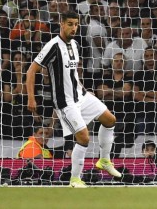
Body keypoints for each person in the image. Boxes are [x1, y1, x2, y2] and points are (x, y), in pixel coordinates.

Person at [26, 11, 122, 188]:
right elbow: (31, 71)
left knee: (110, 120)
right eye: (70, 24)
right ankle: (75, 179)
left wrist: (86, 91)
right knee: (83, 137)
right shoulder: (52, 46)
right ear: (62, 24)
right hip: (65, 103)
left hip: (81, 95)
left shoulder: (76, 44)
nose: (74, 27)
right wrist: (31, 99)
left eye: (76, 24)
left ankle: (105, 161)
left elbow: (73, 75)